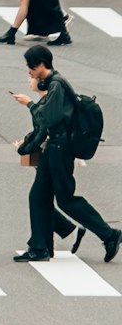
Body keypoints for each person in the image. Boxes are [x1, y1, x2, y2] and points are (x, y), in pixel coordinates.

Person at [10, 44, 121, 264]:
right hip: (54, 149)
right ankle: (40, 247)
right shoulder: (53, 84)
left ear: (41, 64)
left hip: (60, 150)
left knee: (66, 200)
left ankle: (109, 235)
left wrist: (30, 104)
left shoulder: (57, 85)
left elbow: (48, 119)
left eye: (30, 67)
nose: (28, 71)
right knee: (38, 197)